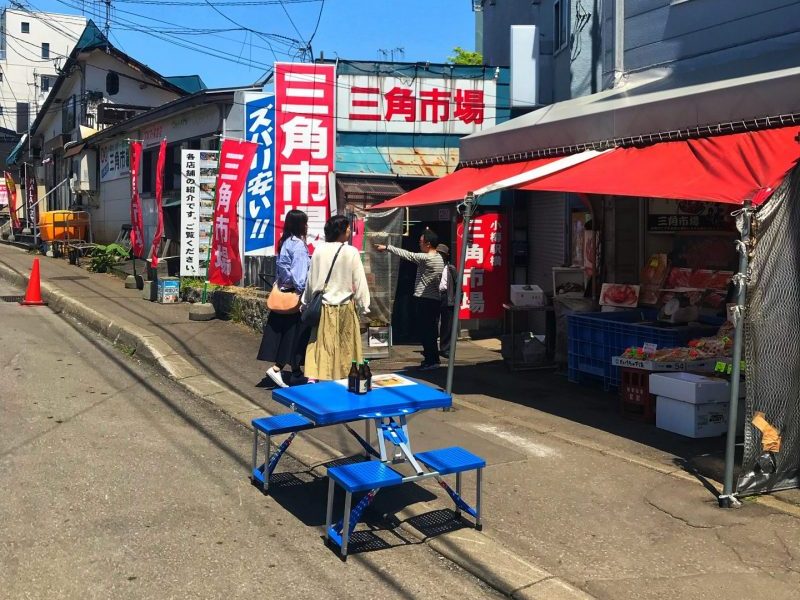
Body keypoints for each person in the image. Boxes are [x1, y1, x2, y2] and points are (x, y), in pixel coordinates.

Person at [303, 215, 370, 381]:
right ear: (340, 231)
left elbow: (310, 279)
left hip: (323, 306)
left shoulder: (319, 250)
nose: (349, 230)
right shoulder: (351, 251)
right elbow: (359, 281)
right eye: (347, 227)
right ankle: (343, 375)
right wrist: (364, 305)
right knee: (345, 344)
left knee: (321, 342)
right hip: (345, 306)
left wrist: (306, 301)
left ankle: (317, 376)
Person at [375, 228, 444, 369]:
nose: (419, 244)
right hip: (431, 300)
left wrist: (388, 247)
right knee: (429, 331)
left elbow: (408, 255)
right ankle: (431, 359)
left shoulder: (428, 258)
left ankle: (432, 361)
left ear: (428, 244)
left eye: (421, 241)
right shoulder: (438, 258)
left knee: (427, 332)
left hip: (426, 299)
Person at [257, 210, 311, 388]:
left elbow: (283, 270)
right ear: (300, 225)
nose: (307, 226)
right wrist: (303, 293)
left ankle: (295, 372)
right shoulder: (299, 246)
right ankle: (277, 369)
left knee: (283, 334)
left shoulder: (284, 243)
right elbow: (299, 275)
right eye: (305, 223)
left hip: (282, 293)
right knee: (294, 336)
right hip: (294, 296)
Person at [437, 244, 458, 359]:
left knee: (447, 324)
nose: (440, 256)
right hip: (435, 296)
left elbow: (458, 284)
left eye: (442, 254)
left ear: (446, 256)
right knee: (434, 323)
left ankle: (446, 348)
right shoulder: (433, 266)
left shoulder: (451, 268)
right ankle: (435, 348)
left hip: (447, 296)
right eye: (438, 253)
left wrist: (457, 299)